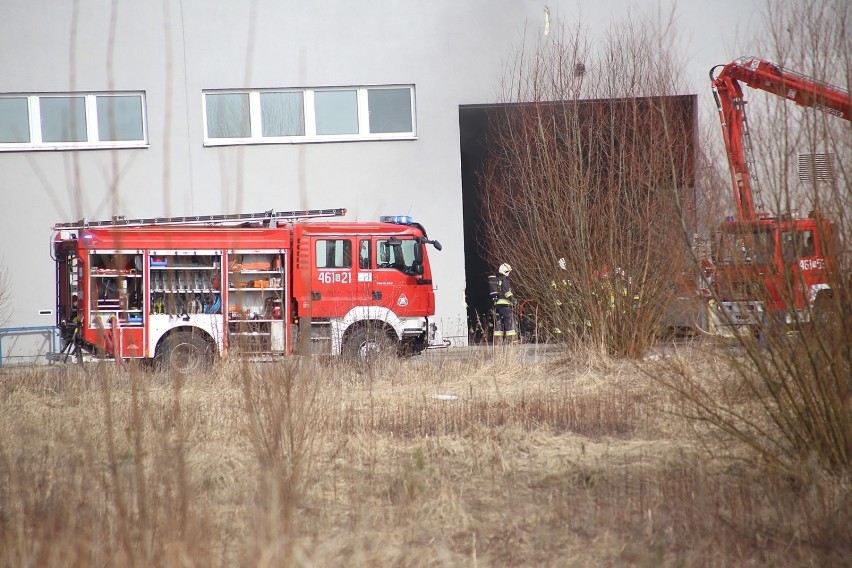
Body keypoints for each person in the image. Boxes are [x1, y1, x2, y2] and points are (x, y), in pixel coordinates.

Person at [491, 263, 518, 343]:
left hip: (497, 305)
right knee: (509, 320)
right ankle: (511, 340)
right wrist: (513, 300)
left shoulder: (497, 279)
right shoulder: (504, 279)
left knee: (498, 322)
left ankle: (498, 341)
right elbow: (506, 292)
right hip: (505, 304)